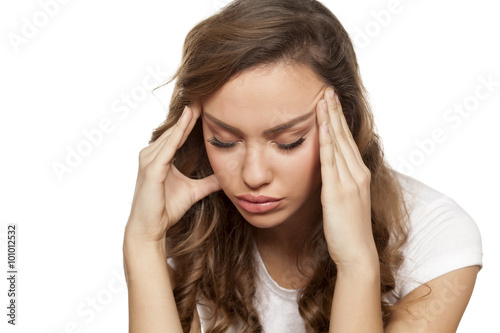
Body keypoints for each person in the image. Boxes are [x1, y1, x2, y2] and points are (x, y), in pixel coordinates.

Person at [122, 0, 483, 332]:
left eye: (288, 142)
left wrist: (356, 263)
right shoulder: (190, 216)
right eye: (224, 140)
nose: (253, 175)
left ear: (347, 121)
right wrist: (143, 242)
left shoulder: (437, 237)